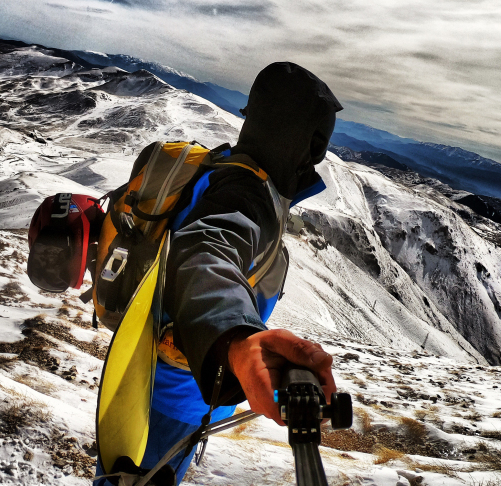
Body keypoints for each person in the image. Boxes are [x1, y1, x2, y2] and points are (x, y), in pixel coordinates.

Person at [102, 61, 343, 485]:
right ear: (311, 144)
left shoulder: (223, 167)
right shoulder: (246, 193)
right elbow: (206, 251)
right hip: (177, 393)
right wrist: (234, 335)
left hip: (154, 369)